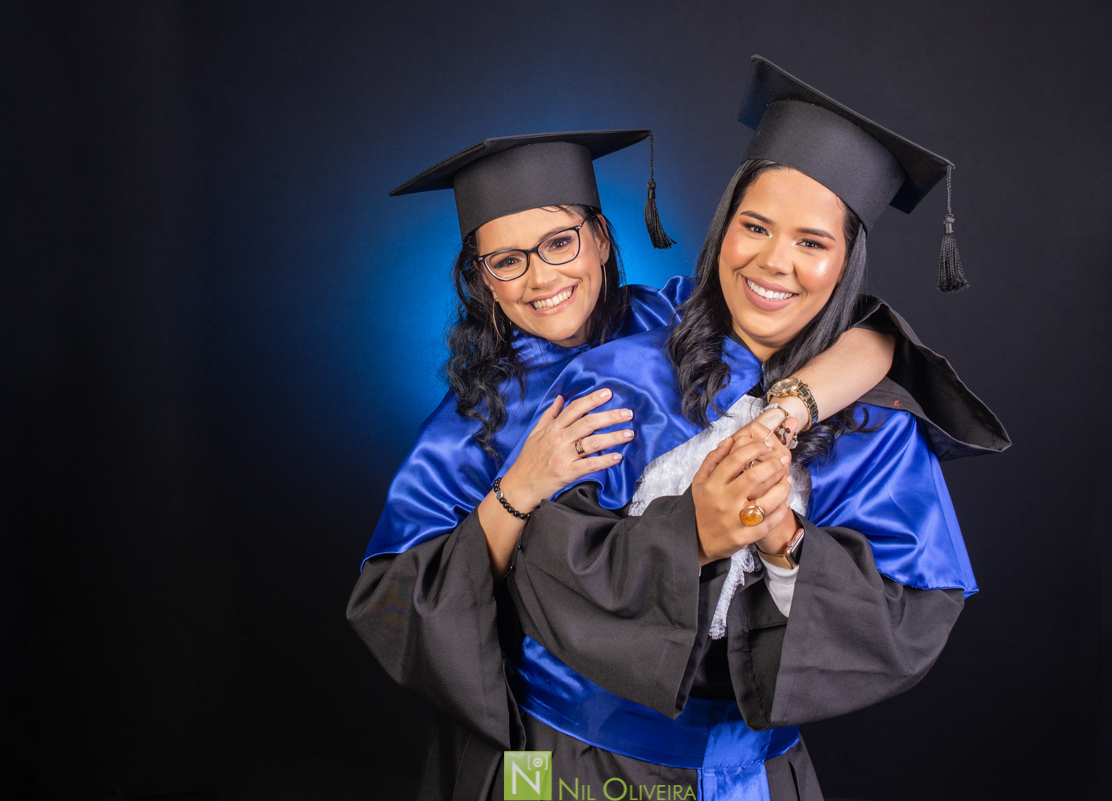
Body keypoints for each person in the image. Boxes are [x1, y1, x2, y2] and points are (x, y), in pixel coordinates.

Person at [348, 87, 1007, 798]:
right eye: (506, 260)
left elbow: (864, 332)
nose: (542, 277)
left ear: (602, 239)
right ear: (480, 278)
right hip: (542, 737)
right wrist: (517, 492)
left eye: (560, 243)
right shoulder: (489, 411)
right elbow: (409, 602)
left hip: (733, 762)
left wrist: (788, 420)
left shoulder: (663, 321)